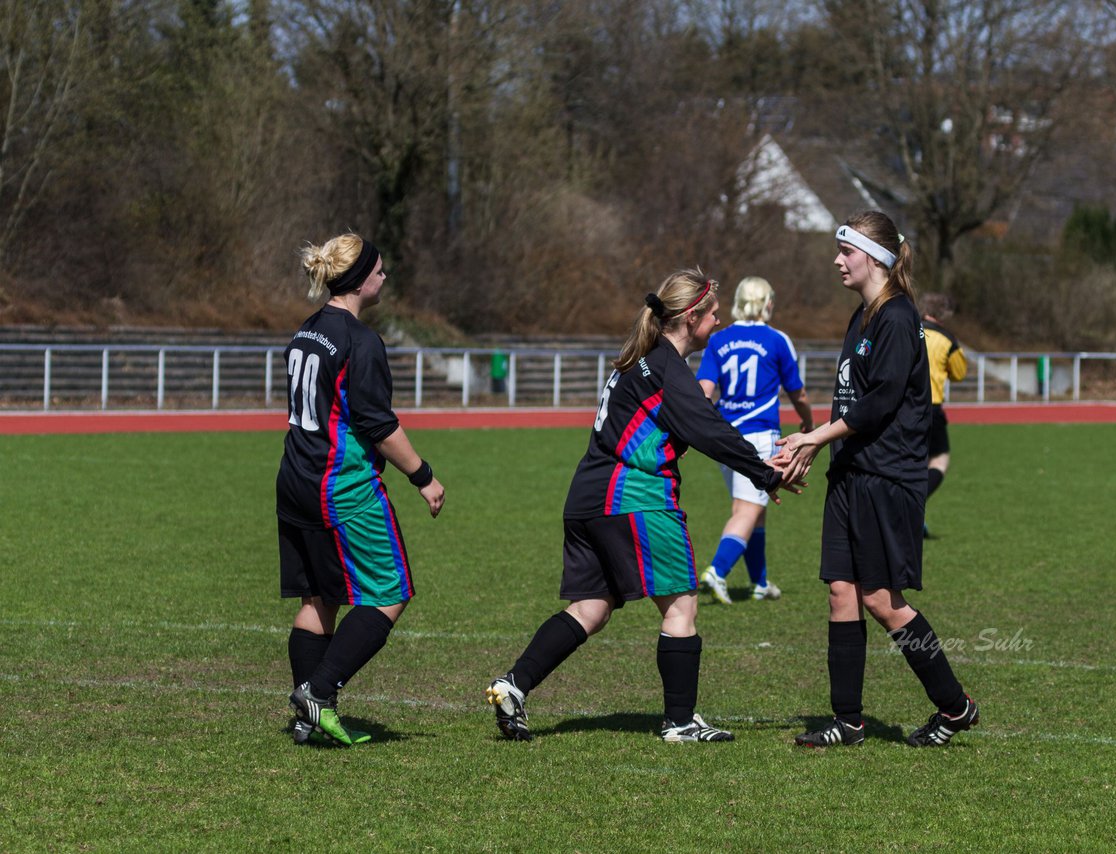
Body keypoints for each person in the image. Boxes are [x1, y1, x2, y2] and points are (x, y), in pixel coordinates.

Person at [484, 269, 799, 743]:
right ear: (691, 317)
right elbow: (706, 430)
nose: (718, 321)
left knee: (591, 607)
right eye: (713, 314)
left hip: (588, 495)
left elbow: (702, 422)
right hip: (634, 497)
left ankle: (514, 685)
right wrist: (765, 472)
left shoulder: (640, 361)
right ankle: (680, 722)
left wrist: (756, 465)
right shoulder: (667, 368)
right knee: (681, 604)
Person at [773, 212, 979, 748]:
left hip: (888, 476)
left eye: (847, 250)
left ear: (876, 257)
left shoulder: (896, 316)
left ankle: (954, 706)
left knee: (883, 601)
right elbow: (851, 402)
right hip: (851, 472)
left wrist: (814, 437)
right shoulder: (861, 316)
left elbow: (882, 401)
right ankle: (848, 720)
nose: (837, 260)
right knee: (841, 591)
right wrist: (821, 449)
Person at [276, 233, 446, 746]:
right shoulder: (360, 341)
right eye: (379, 269)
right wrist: (424, 476)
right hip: (341, 488)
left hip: (294, 481)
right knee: (390, 591)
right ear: (359, 279)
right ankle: (319, 693)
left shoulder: (307, 330)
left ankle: (309, 716)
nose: (385, 276)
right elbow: (378, 425)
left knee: (319, 598)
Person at [695, 276, 813, 604]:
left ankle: (760, 583)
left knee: (753, 509)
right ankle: (717, 571)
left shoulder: (718, 340)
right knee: (748, 508)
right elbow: (798, 392)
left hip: (724, 436)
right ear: (767, 302)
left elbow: (704, 391)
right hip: (759, 436)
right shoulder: (776, 339)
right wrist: (808, 422)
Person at [917, 293, 967, 536]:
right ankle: (914, 508)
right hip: (932, 408)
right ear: (944, 315)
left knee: (910, 462)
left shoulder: (906, 328)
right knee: (939, 459)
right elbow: (959, 373)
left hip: (902, 408)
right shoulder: (947, 339)